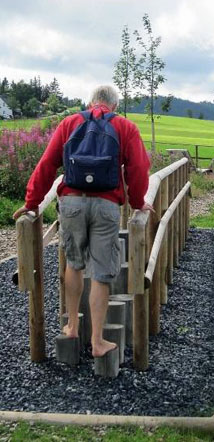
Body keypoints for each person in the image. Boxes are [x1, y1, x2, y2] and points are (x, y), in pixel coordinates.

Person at [13, 85, 152, 358]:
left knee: (74, 264)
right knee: (101, 273)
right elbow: (138, 168)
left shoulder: (70, 123)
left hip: (72, 203)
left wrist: (31, 203)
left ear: (90, 102)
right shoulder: (125, 127)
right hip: (107, 205)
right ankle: (99, 342)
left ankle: (73, 326)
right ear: (114, 106)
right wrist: (138, 203)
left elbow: (47, 164)